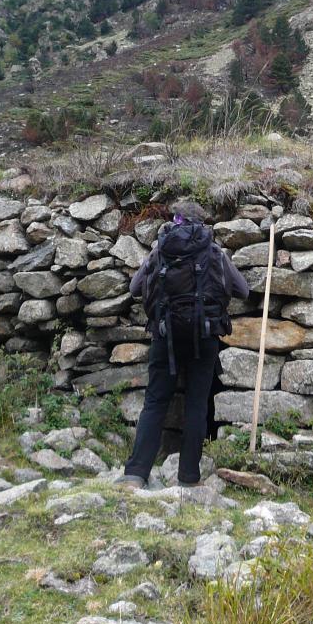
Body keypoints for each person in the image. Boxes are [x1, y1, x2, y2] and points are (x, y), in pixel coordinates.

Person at [116, 202, 249, 488]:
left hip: (166, 336)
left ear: (176, 222)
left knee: (155, 402)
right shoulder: (214, 252)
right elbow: (243, 290)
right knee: (196, 405)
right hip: (205, 336)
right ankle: (188, 478)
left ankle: (136, 474)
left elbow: (134, 288)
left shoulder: (160, 251)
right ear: (202, 224)